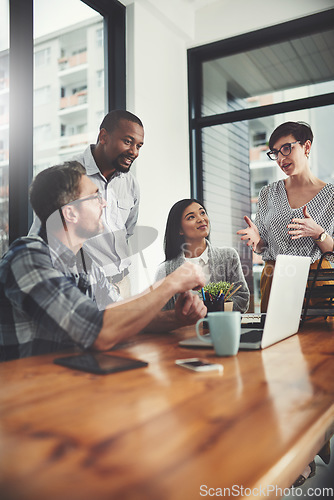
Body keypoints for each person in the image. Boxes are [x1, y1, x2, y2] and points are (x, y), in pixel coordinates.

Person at [0, 162, 206, 362]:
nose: (104, 203)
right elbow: (98, 332)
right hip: (27, 387)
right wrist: (169, 284)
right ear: (70, 212)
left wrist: (177, 319)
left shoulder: (85, 261)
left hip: (71, 378)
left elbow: (122, 316)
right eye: (95, 197)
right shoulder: (28, 257)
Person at [237, 121, 334, 485]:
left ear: (306, 147)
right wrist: (257, 242)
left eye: (287, 149)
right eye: (274, 152)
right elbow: (268, 246)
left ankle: (308, 451)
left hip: (318, 289)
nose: (280, 158)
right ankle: (288, 448)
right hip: (275, 284)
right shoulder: (268, 194)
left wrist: (321, 234)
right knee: (278, 369)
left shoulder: (332, 195)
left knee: (315, 373)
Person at [30, 110, 144, 298]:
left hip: (123, 283)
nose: (134, 152)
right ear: (104, 136)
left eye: (139, 145)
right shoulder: (71, 175)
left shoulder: (130, 183)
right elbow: (42, 233)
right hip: (81, 284)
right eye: (128, 141)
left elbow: (127, 231)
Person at [155, 198, 249, 312]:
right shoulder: (164, 270)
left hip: (220, 327)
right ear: (180, 229)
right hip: (183, 329)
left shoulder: (229, 256)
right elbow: (160, 312)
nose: (201, 219)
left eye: (202, 213)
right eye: (191, 217)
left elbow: (242, 298)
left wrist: (213, 310)